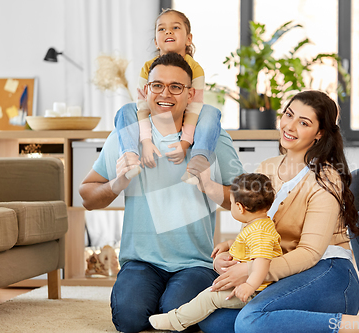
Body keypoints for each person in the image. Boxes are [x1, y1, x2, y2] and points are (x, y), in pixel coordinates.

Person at [193, 90, 359, 333]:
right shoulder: (267, 168)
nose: (290, 126)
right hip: (286, 274)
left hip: (328, 274)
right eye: (289, 115)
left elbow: (309, 253)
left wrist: (251, 270)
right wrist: (235, 250)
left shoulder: (325, 178)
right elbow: (260, 232)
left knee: (249, 322)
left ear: (319, 133)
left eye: (304, 122)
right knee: (213, 320)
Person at [79, 52, 244, 333]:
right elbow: (87, 196)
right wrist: (117, 183)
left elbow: (244, 201)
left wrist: (210, 186)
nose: (165, 93)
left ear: (191, 94)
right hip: (141, 262)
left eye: (175, 87)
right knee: (129, 319)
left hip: (196, 263)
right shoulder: (127, 136)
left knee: (176, 314)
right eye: (157, 85)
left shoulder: (213, 139)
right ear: (146, 91)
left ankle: (168, 300)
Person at [149, 173, 282, 331]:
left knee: (209, 297)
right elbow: (249, 247)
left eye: (231, 203)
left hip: (257, 291)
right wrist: (229, 244)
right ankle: (180, 317)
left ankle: (176, 321)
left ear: (240, 207)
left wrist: (249, 286)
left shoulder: (259, 232)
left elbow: (262, 262)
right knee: (208, 295)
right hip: (252, 286)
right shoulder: (259, 224)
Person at [115, 8, 219, 184]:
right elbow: (142, 106)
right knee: (126, 110)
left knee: (211, 112)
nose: (168, 31)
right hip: (155, 116)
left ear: (189, 39)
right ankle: (130, 157)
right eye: (162, 29)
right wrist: (146, 141)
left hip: (184, 115)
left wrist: (185, 143)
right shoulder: (147, 68)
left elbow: (194, 108)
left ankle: (198, 162)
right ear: (156, 41)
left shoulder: (195, 69)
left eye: (175, 28)